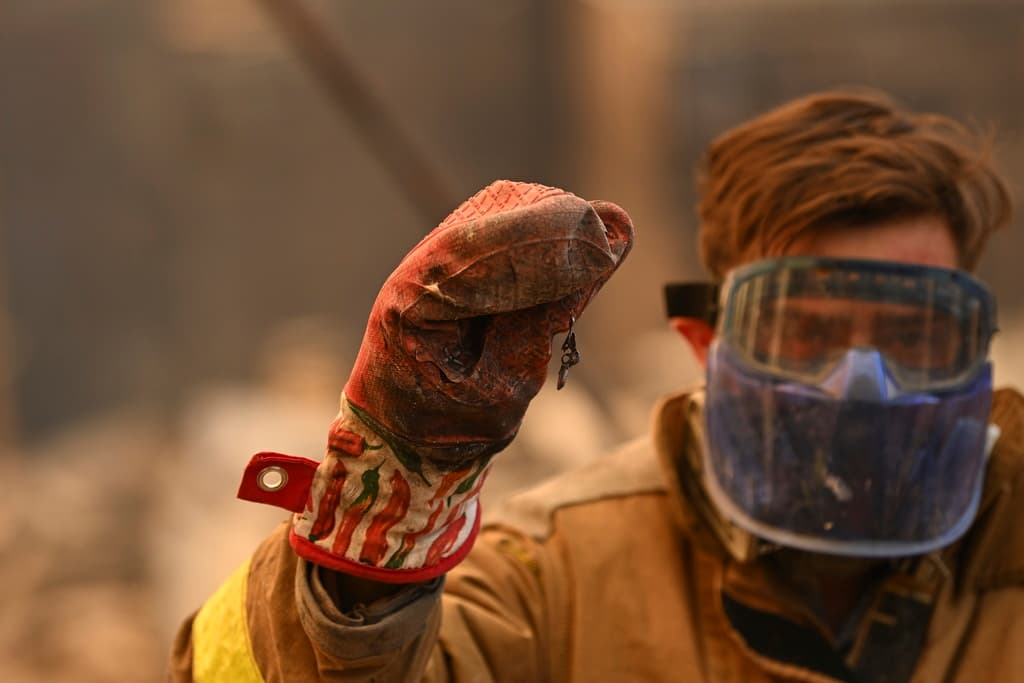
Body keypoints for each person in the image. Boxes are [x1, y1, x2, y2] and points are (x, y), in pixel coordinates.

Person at [170, 90, 1023, 682]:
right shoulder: (555, 581)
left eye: (917, 337)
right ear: (706, 343)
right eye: (806, 334)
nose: (862, 390)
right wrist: (386, 517)